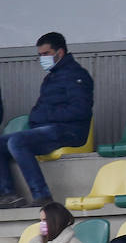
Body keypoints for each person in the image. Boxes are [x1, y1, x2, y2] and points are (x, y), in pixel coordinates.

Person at [0, 32, 94, 209]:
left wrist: (45, 116)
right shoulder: (51, 77)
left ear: (60, 52)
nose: (42, 58)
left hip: (70, 131)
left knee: (17, 141)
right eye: (40, 55)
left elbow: (80, 110)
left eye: (46, 54)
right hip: (48, 130)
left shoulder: (77, 75)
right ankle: (8, 195)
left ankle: (42, 196)